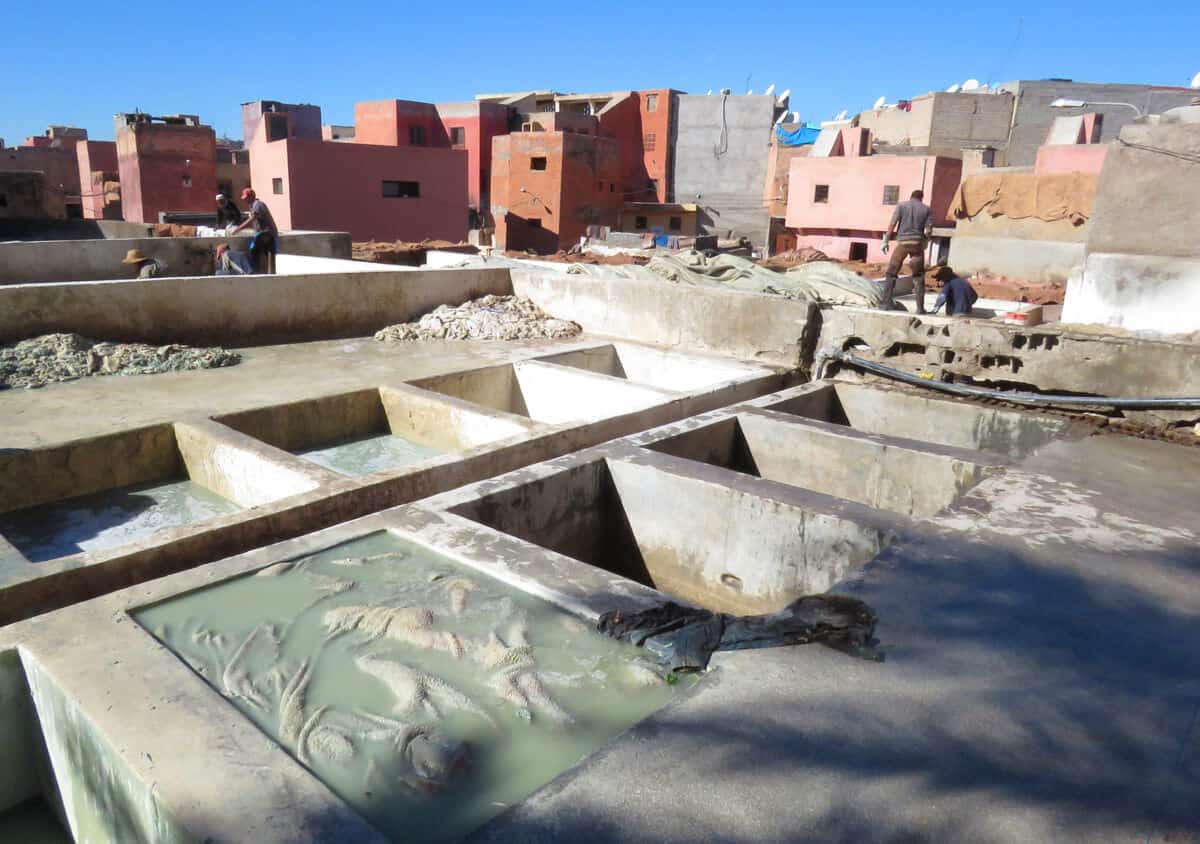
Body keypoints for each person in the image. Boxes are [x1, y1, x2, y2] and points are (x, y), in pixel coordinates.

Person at [881, 189, 933, 313]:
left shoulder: (901, 206)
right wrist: (925, 242)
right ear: (921, 198)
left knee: (891, 273)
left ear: (911, 197)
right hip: (917, 244)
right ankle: (920, 308)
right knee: (918, 276)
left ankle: (886, 304)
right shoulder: (926, 209)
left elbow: (892, 224)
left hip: (902, 243)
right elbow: (929, 230)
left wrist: (886, 240)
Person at [231, 188, 278, 273]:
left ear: (251, 197)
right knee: (262, 254)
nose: (245, 200)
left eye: (246, 198)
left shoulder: (258, 205)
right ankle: (264, 272)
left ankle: (258, 272)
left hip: (266, 233)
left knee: (255, 252)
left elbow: (252, 219)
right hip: (263, 233)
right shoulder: (252, 206)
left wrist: (238, 229)